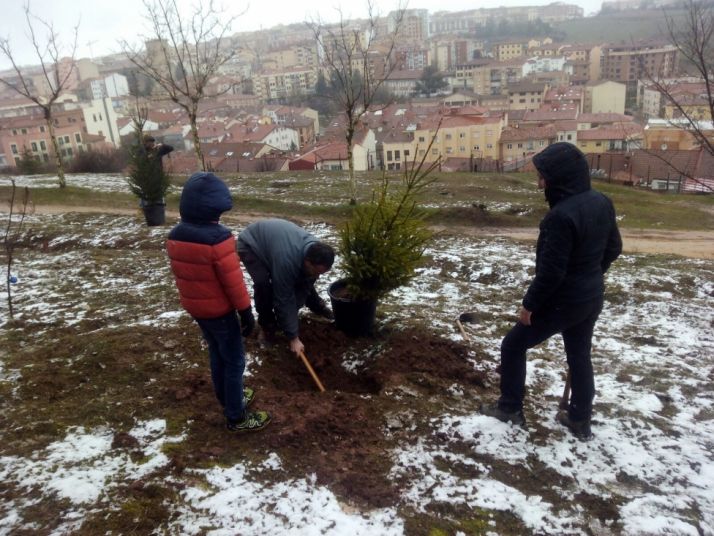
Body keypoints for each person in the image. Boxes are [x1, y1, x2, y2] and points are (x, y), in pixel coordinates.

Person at [480, 142, 622, 440]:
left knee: (512, 345)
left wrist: (529, 306)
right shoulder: (602, 201)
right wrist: (591, 276)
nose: (539, 181)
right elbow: (613, 248)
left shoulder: (559, 217)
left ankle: (509, 408)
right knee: (579, 355)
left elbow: (551, 273)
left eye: (543, 175)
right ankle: (580, 419)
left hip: (563, 301)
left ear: (561, 178)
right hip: (590, 297)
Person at [167, 172, 270, 432]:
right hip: (220, 312)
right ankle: (236, 416)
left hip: (197, 309)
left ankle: (227, 398)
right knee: (234, 360)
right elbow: (233, 283)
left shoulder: (175, 235)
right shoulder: (218, 240)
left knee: (216, 351)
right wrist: (246, 313)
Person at [237, 218, 335, 356]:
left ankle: (316, 306)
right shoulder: (287, 262)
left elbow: (304, 287)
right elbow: (283, 297)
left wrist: (290, 318)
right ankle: (267, 326)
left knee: (305, 278)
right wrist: (293, 337)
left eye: (321, 273)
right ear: (307, 261)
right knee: (263, 284)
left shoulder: (316, 252)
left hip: (276, 244)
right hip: (252, 244)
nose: (318, 276)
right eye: (316, 272)